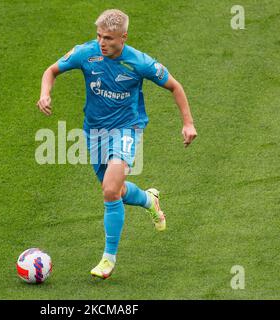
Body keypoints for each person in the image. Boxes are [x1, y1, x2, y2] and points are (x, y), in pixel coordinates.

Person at [36, 9, 197, 279]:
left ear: (123, 37)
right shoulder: (87, 53)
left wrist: (188, 123)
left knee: (109, 190)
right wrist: (45, 94)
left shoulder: (140, 62)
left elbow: (175, 87)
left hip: (126, 129)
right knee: (117, 190)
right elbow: (51, 71)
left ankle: (108, 259)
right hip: (94, 131)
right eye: (99, 36)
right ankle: (149, 199)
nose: (102, 42)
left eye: (109, 38)